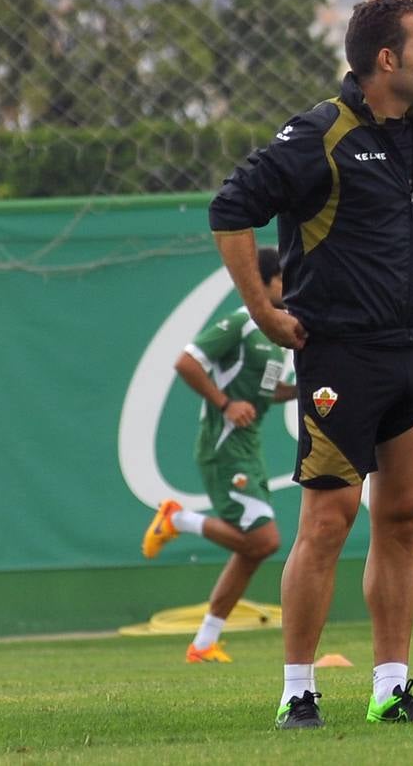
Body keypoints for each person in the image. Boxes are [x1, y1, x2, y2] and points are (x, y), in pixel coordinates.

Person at [207, 0, 413, 730]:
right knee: (328, 522)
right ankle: (298, 692)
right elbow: (230, 209)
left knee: (404, 519)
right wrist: (262, 309)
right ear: (387, 60)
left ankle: (391, 687)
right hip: (342, 357)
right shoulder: (319, 134)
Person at [140, 246, 295, 663]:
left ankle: (204, 643)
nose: (289, 285)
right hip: (225, 446)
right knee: (264, 541)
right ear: (263, 282)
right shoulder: (242, 323)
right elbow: (186, 362)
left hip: (250, 445)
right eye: (282, 277)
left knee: (253, 550)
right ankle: (177, 519)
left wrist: (301, 391)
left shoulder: (276, 335)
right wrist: (225, 403)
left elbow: (269, 390)